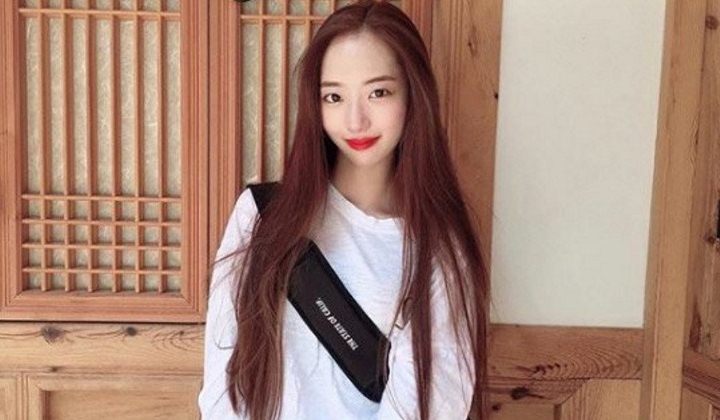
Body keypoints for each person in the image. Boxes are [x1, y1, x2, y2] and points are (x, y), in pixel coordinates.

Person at [198, 1, 489, 419]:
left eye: (378, 92)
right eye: (334, 96)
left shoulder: (438, 250)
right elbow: (222, 380)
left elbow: (432, 404)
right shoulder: (262, 215)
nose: (355, 120)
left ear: (414, 95)